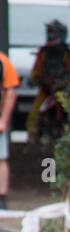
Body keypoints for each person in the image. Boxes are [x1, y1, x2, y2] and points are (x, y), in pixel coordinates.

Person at [26, 19, 70, 141]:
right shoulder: (43, 52)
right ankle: (32, 140)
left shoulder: (67, 54)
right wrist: (35, 79)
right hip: (46, 90)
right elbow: (36, 69)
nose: (50, 35)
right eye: (49, 32)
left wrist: (64, 83)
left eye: (53, 32)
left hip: (62, 92)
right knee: (34, 114)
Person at [0, 51, 17, 210]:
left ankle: (1, 199)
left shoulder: (3, 61)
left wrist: (3, 120)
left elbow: (11, 91)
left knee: (1, 159)